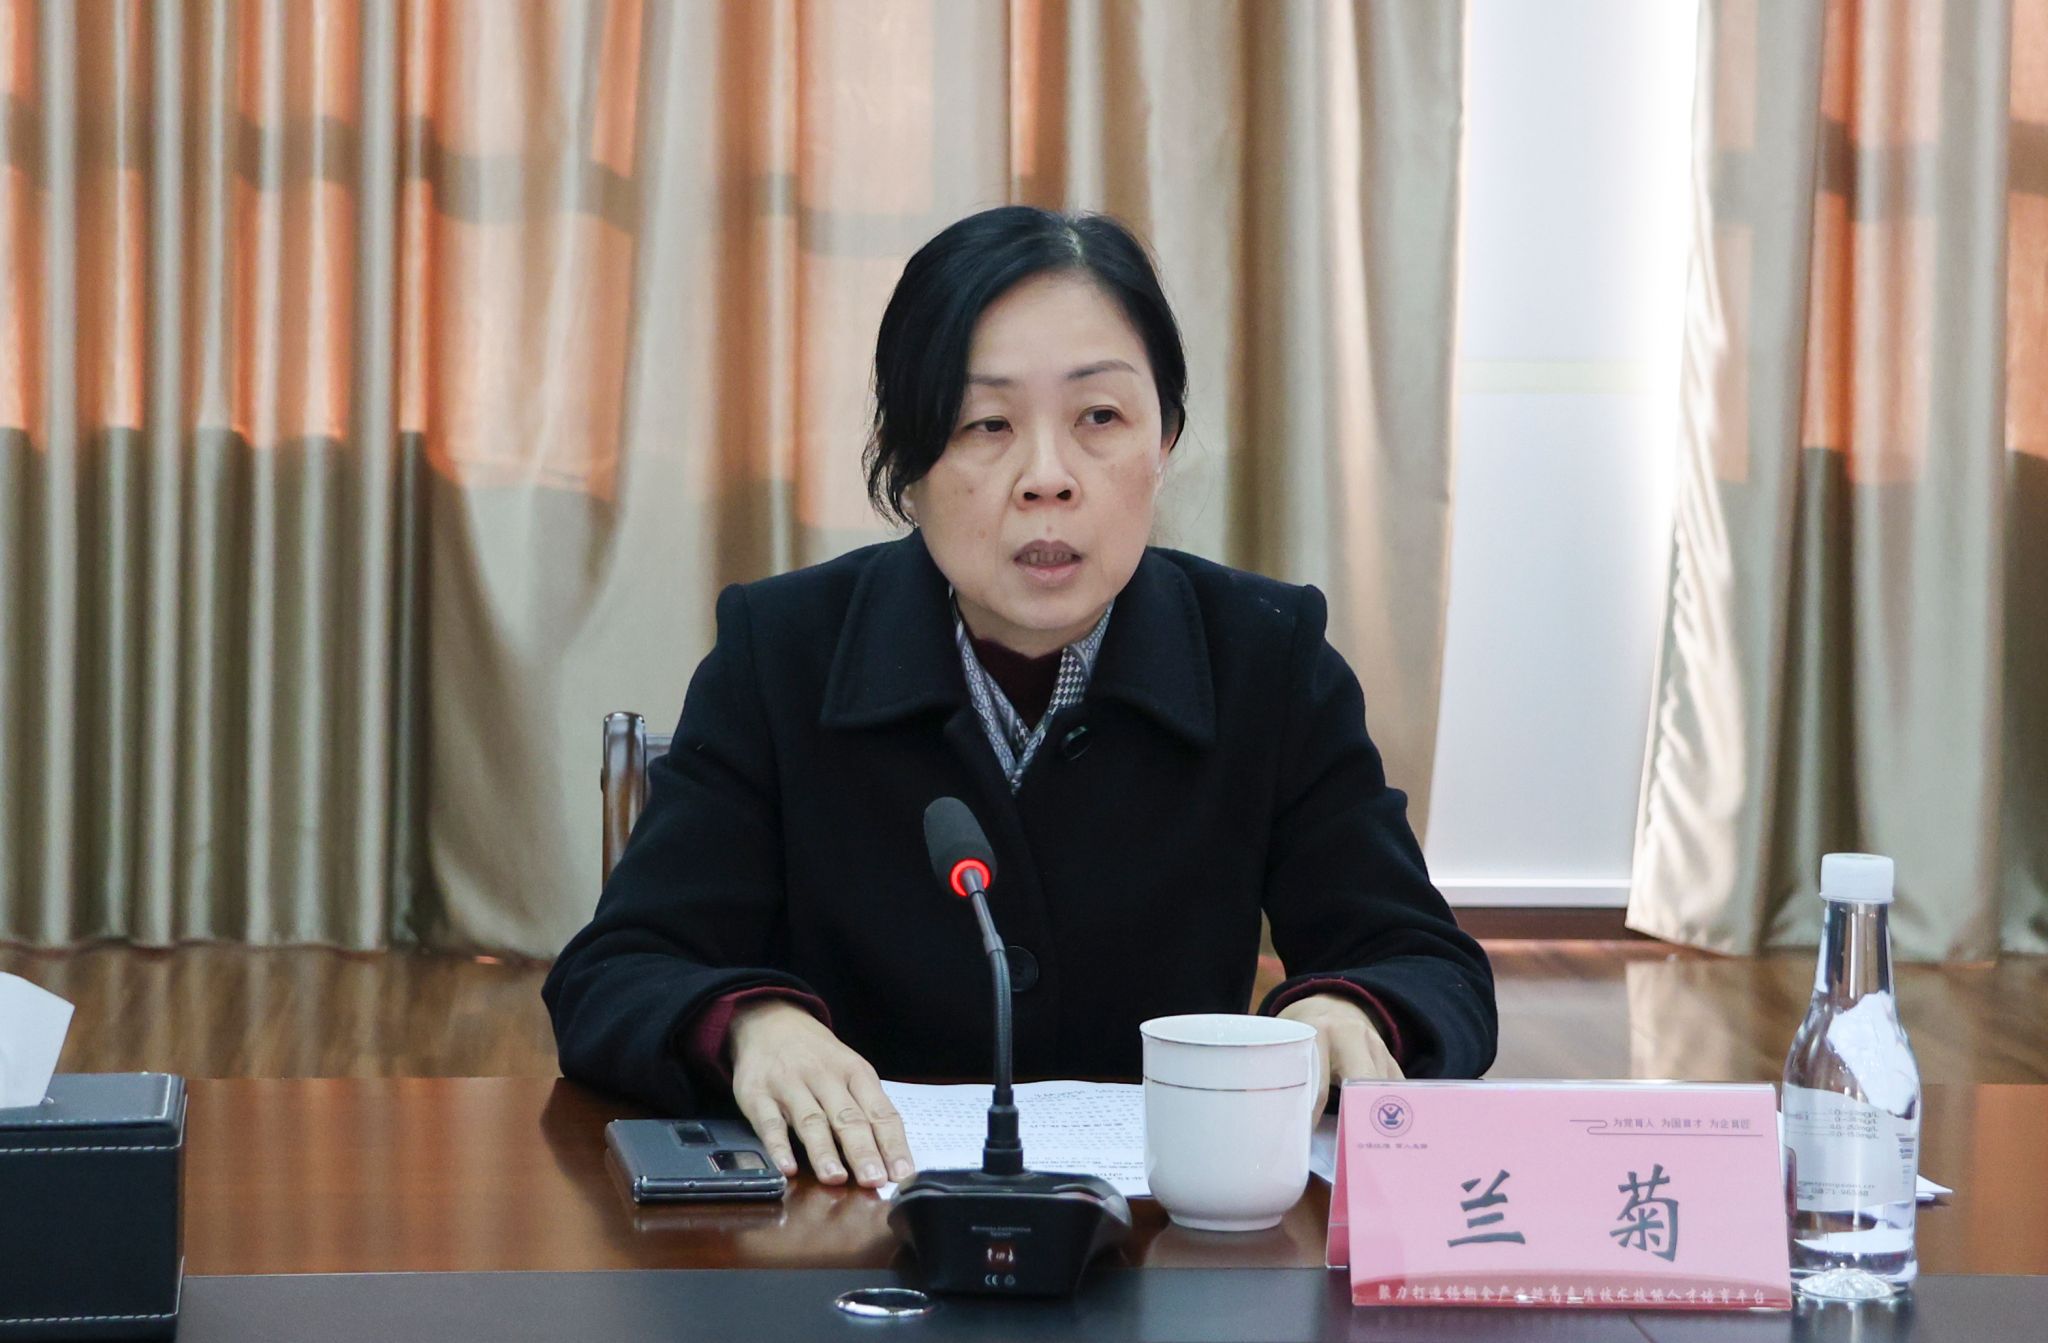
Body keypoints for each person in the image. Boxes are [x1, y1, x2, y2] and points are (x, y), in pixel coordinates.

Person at [544, 205, 1496, 1193]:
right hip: (856, 1228)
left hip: (1166, 1236)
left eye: (1100, 418)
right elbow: (615, 971)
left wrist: (1347, 1009)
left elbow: (1425, 964)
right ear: (906, 463)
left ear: (1164, 441)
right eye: (986, 424)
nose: (1047, 479)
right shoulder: (782, 652)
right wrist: (752, 1022)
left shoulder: (1266, 655)